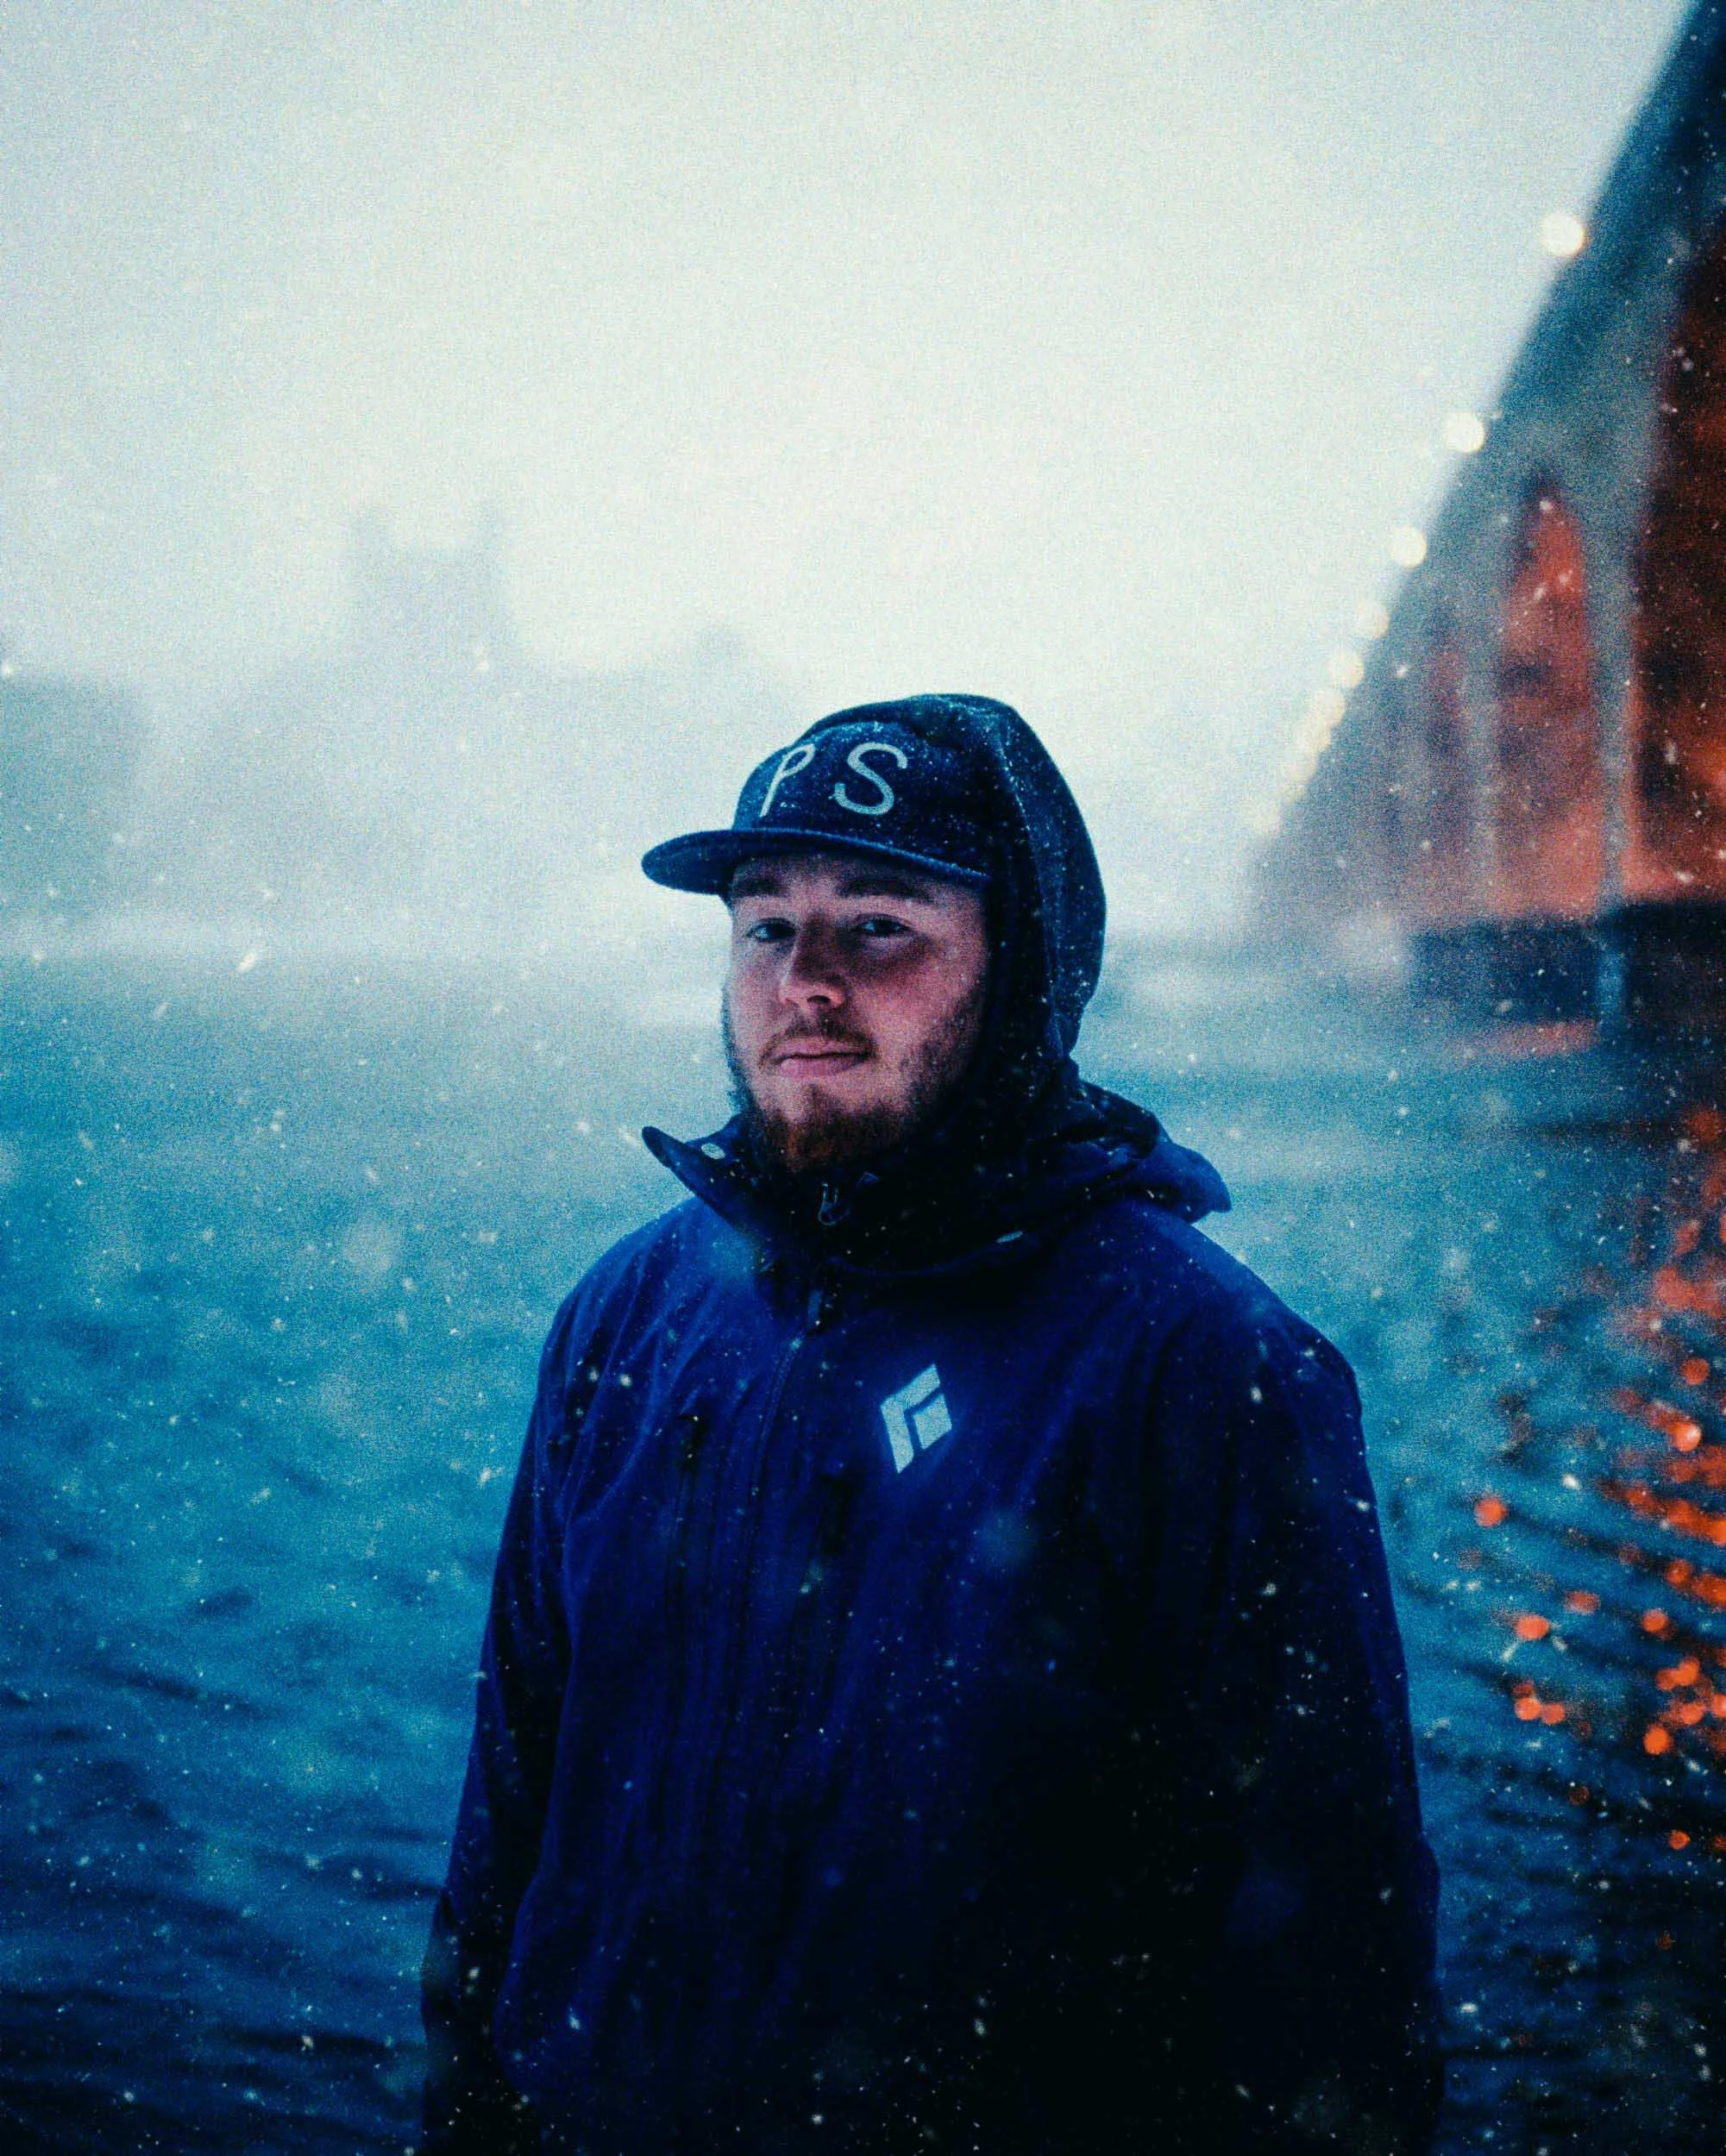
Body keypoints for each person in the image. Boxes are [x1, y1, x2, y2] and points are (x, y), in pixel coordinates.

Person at [421, 693, 1442, 2154]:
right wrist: (466, 2107)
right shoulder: (629, 1322)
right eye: (765, 927)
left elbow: (1327, 1951)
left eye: (879, 926)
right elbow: (508, 1811)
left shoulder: (1203, 1372)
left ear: (1019, 969)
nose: (806, 982)